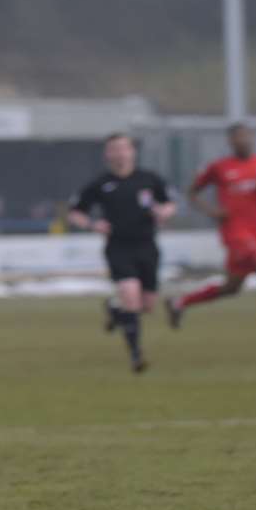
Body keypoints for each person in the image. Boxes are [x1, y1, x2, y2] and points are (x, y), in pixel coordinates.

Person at [166, 123, 256, 352]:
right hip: (235, 235)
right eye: (238, 137)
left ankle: (179, 303)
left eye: (246, 136)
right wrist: (212, 212)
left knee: (231, 288)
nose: (243, 140)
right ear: (230, 142)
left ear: (252, 139)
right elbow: (192, 192)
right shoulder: (220, 168)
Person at [68, 134, 175, 373]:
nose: (119, 153)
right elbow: (75, 213)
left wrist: (164, 212)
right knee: (131, 295)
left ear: (132, 152)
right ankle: (136, 355)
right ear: (107, 155)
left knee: (146, 305)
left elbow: (169, 204)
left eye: (123, 148)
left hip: (147, 246)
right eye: (113, 149)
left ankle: (115, 309)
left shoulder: (149, 179)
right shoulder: (100, 184)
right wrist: (93, 225)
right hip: (118, 247)